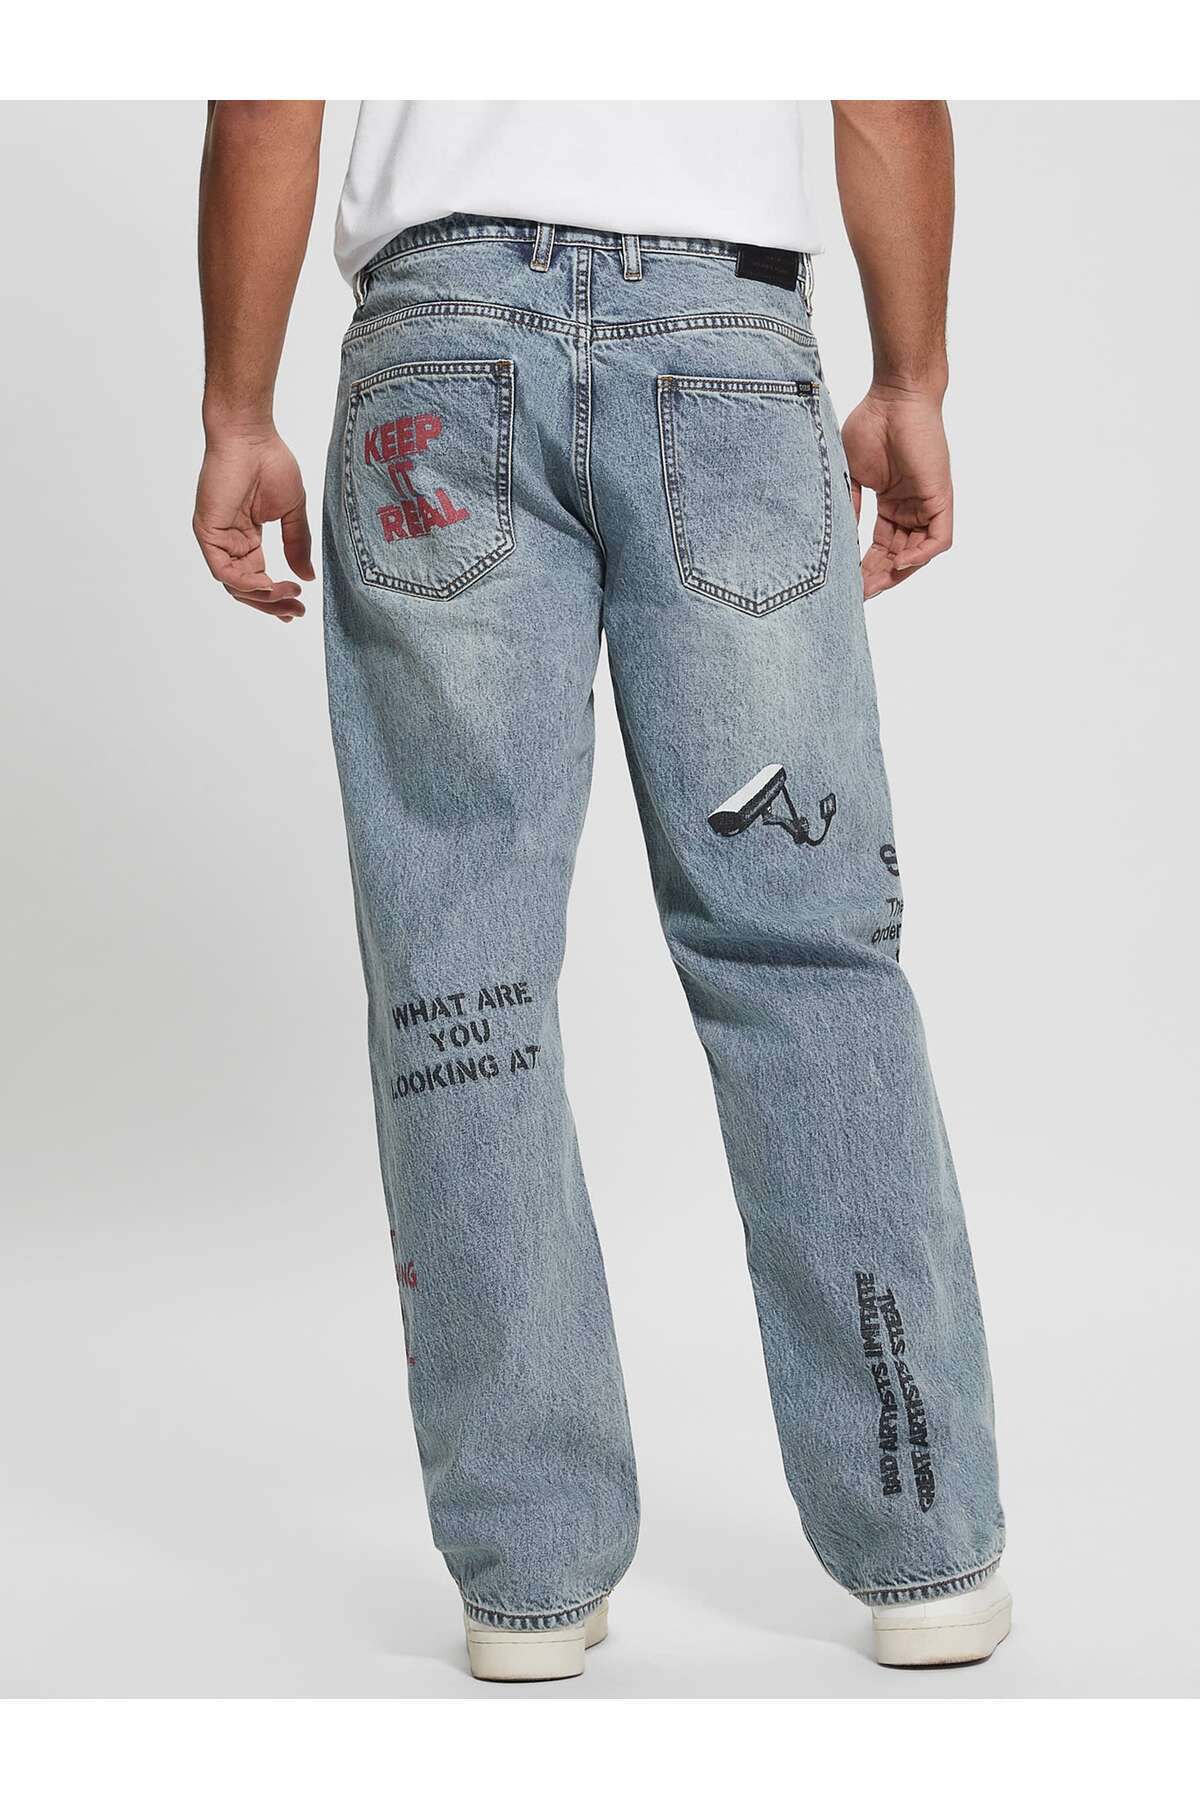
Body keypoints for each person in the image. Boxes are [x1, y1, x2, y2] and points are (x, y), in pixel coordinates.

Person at [193, 100, 1009, 1681]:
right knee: (803, 951)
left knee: (462, 976)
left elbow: (266, 95)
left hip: (439, 352)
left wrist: (237, 405)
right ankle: (926, 1551)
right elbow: (884, 84)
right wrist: (911, 380)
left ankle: (534, 1577)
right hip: (726, 345)